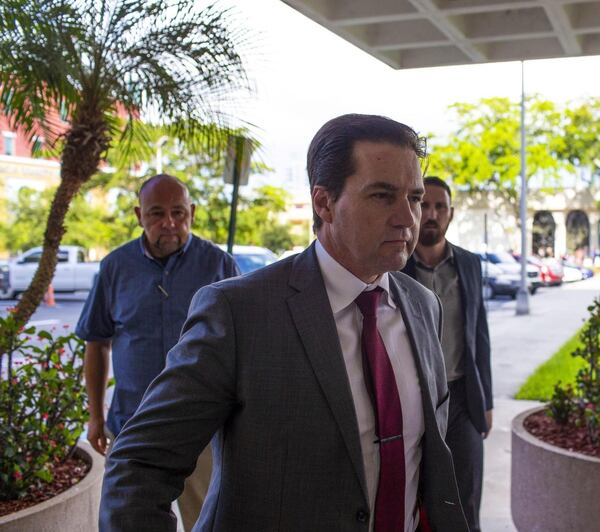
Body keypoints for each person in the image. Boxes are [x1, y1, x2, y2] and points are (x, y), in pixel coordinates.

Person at [99, 114, 469, 531]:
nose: (408, 218)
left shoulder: (423, 306)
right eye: (383, 196)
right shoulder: (239, 313)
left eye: (415, 197)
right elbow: (138, 468)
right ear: (324, 202)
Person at [76, 174, 239, 530]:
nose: (169, 223)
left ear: (192, 213)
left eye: (178, 212)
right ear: (138, 215)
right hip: (133, 424)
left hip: (204, 425)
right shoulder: (115, 268)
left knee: (211, 522)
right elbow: (97, 341)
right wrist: (95, 415)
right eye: (156, 213)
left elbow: (243, 346)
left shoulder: (219, 266)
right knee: (128, 520)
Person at [401, 176, 492, 532]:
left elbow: (479, 334)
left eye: (440, 206)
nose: (432, 213)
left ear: (451, 214)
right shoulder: (395, 267)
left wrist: (485, 400)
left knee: (467, 495)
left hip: (463, 399)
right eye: (424, 204)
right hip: (414, 400)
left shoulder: (470, 264)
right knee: (417, 496)